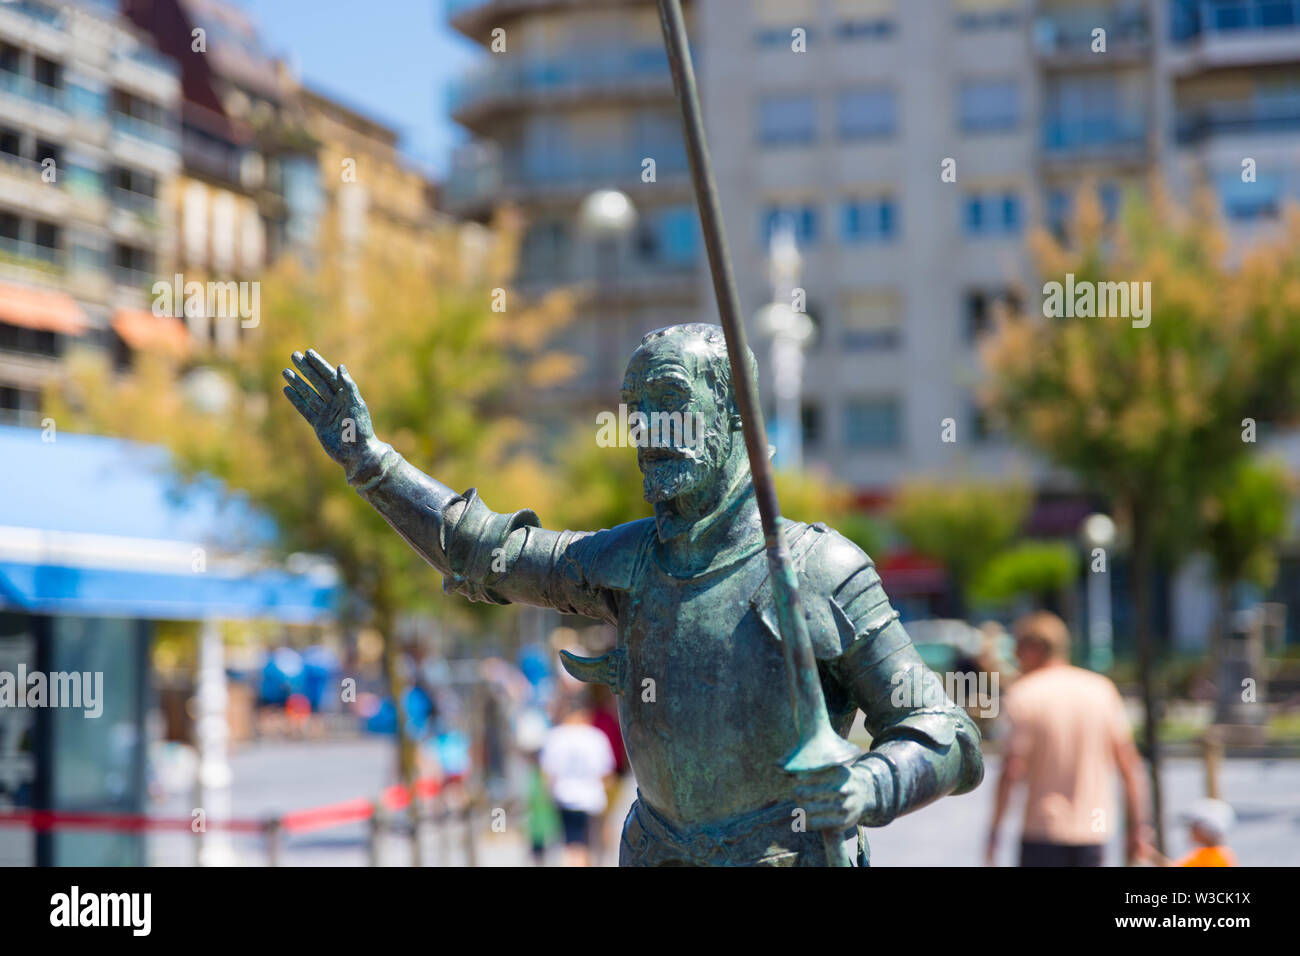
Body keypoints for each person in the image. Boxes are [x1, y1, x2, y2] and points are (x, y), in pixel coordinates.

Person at [282, 327, 982, 866]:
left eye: (671, 402)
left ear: (735, 411)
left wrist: (869, 787)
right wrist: (372, 465)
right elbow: (482, 553)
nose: (648, 431)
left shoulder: (819, 568)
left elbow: (946, 733)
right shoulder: (626, 562)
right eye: (636, 411)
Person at [987, 611, 1152, 866]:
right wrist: (1138, 828)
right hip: (1092, 833)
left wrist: (995, 830)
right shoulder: (1101, 690)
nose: (1015, 657)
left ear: (1034, 648)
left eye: (1018, 647)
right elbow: (1130, 766)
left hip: (1042, 830)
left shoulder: (1024, 694)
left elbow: (1012, 769)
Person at [538, 692, 615, 867]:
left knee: (572, 844)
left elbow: (548, 773)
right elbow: (606, 774)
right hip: (592, 799)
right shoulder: (596, 737)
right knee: (586, 846)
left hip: (565, 796)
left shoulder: (555, 737)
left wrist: (548, 797)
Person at [1161, 798, 1237, 867]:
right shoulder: (1211, 854)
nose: (1190, 830)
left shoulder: (1213, 858)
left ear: (1207, 830)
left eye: (1194, 826)